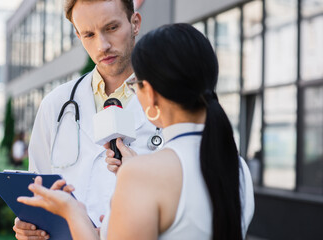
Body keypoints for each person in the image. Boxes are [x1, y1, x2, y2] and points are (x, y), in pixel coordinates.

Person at [18, 23, 255, 240]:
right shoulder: (238, 168)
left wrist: (72, 213)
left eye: (135, 85)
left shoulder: (142, 175)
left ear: (149, 92)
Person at [13, 0, 158, 239]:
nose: (103, 45)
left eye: (111, 28)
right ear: (78, 35)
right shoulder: (55, 105)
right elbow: (37, 190)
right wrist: (31, 226)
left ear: (135, 23)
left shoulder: (170, 99)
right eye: (89, 34)